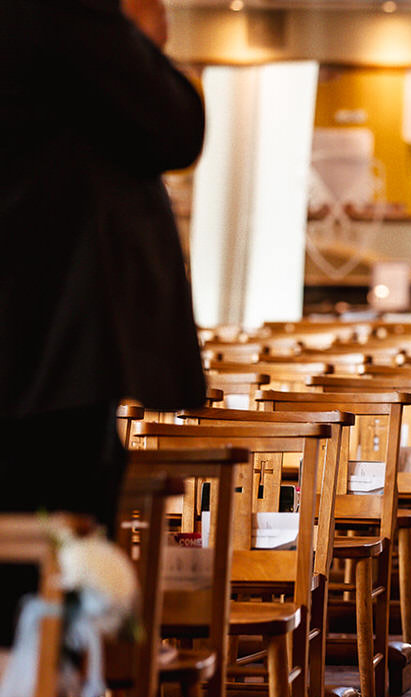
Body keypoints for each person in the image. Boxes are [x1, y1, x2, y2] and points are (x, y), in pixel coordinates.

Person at [1, 0, 206, 645]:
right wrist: (139, 32)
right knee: (49, 570)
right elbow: (174, 126)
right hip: (49, 350)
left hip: (37, 345)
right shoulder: (61, 14)